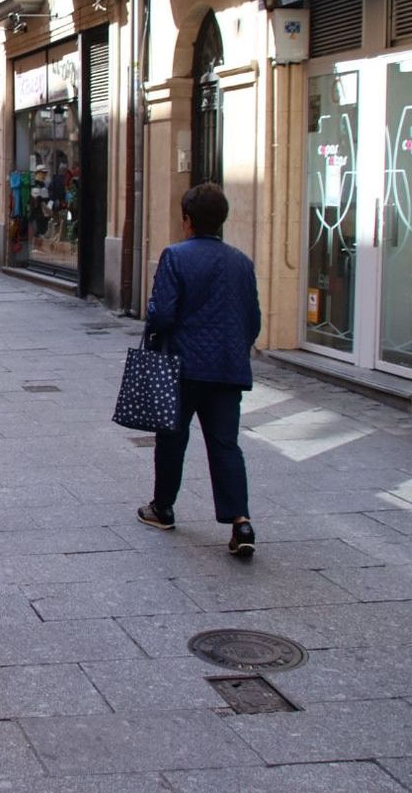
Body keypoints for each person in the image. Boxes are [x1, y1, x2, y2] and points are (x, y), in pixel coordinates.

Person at [138, 182, 261, 559]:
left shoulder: (175, 256)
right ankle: (240, 522)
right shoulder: (241, 261)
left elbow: (161, 314)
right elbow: (252, 320)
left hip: (182, 366)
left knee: (172, 439)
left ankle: (163, 508)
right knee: (225, 444)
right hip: (226, 368)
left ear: (187, 220)